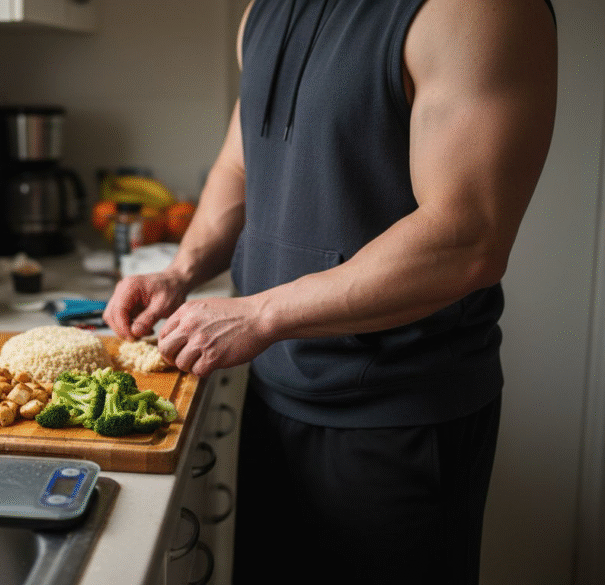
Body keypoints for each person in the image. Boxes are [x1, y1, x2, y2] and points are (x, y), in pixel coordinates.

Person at [103, 0, 557, 583]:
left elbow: (467, 237)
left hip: (397, 418)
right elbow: (241, 169)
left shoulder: (476, 10)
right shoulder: (262, 12)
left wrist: (262, 314)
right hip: (275, 394)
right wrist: (180, 270)